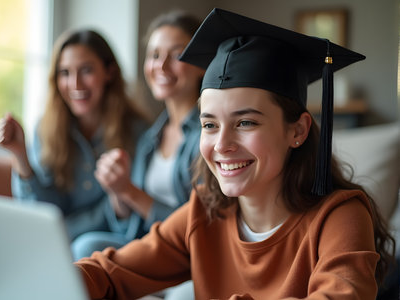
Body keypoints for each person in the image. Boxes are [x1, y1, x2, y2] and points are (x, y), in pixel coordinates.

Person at [74, 8, 396, 299]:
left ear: (297, 131)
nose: (222, 144)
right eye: (210, 125)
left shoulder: (339, 217)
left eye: (245, 122)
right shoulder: (206, 213)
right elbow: (112, 270)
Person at [70, 11, 205, 262]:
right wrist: (117, 192)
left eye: (176, 54)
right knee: (86, 247)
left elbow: (200, 226)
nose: (161, 66)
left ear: (201, 65)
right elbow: (128, 226)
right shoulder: (150, 138)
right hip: (148, 245)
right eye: (154, 55)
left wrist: (130, 192)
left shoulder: (208, 137)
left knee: (86, 249)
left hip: (185, 253)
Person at [0, 29, 147, 241]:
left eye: (86, 70)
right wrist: (20, 155)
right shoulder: (46, 128)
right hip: (56, 241)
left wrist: (59, 234)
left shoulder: (139, 132)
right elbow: (41, 209)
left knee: (85, 246)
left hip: (112, 242)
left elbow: (128, 216)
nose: (75, 84)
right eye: (65, 72)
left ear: (109, 73)